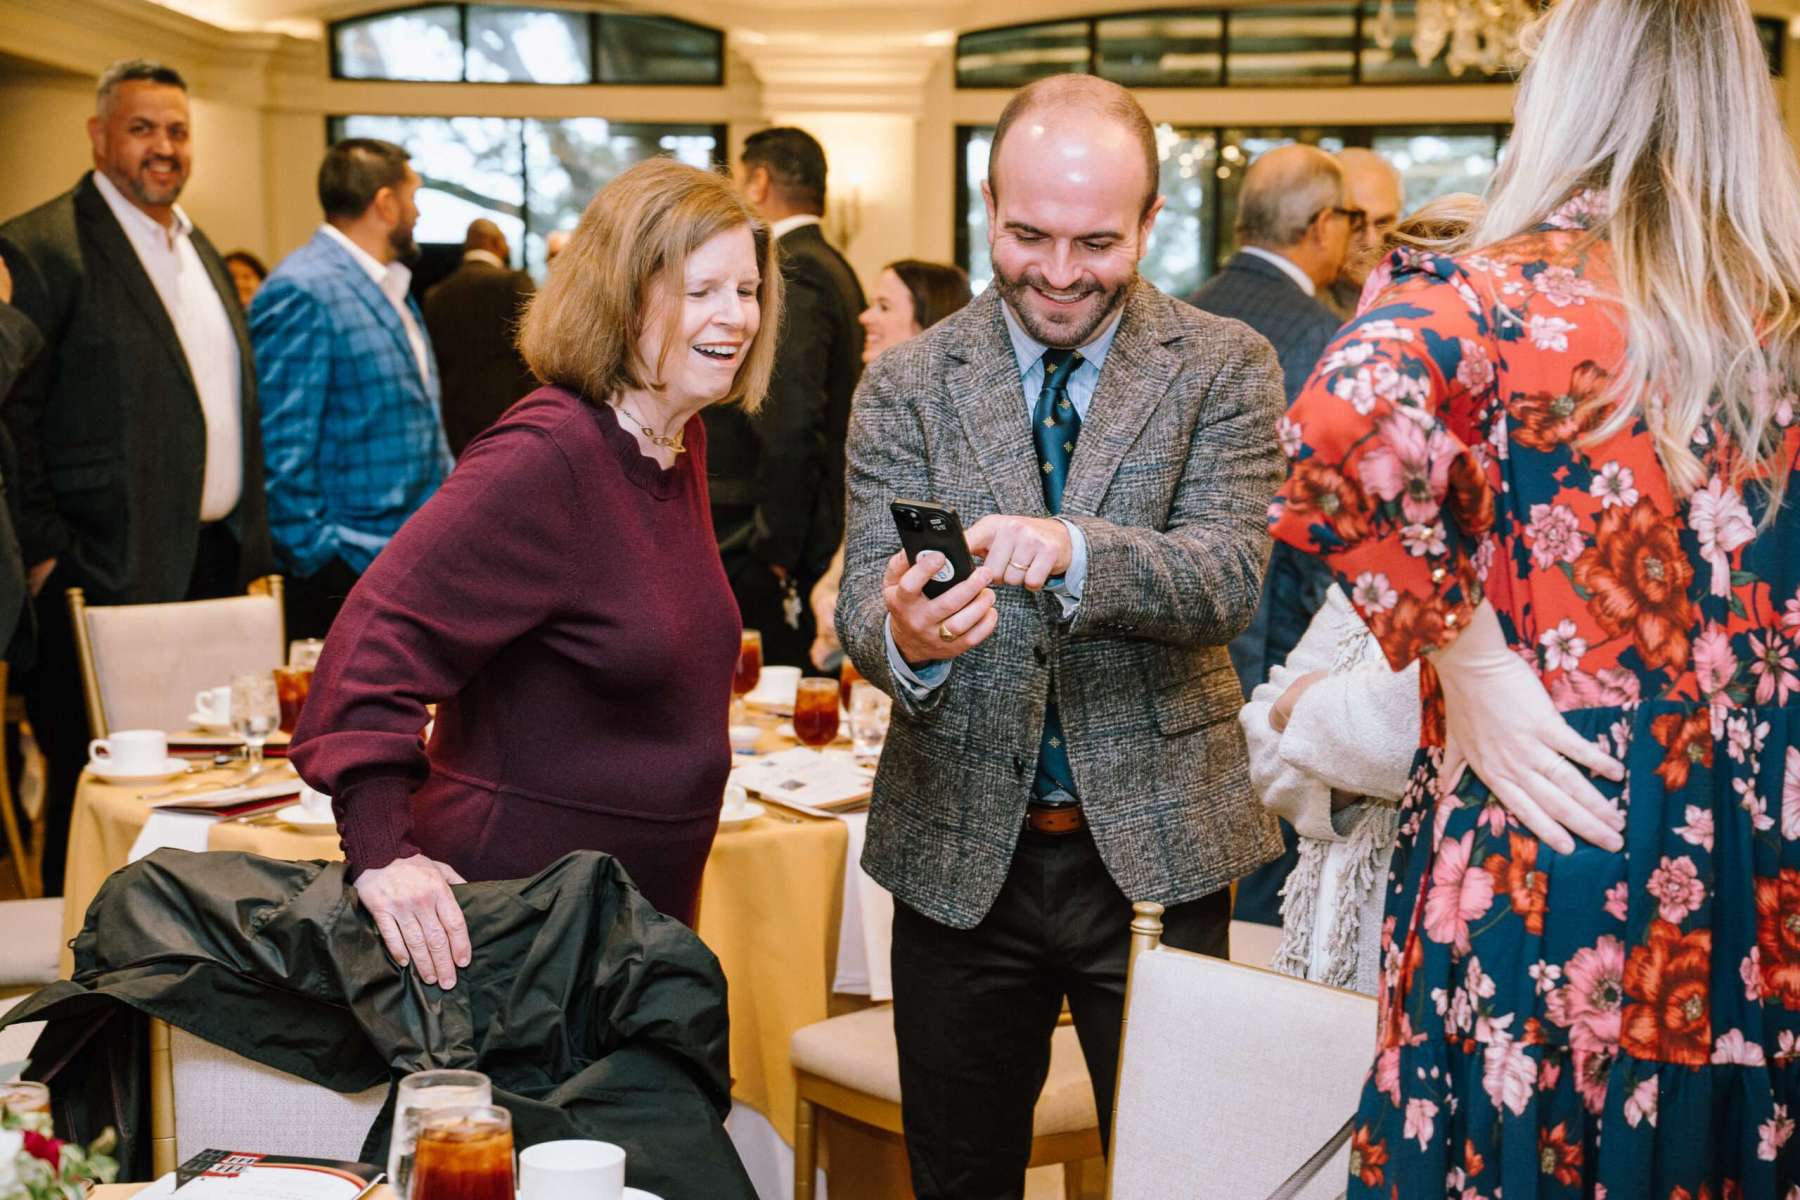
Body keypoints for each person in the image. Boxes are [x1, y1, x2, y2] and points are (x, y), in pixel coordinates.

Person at [1270, 1, 1800, 1193]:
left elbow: (1339, 423)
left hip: (1555, 830)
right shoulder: (1781, 312)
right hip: (1762, 854)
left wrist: (1471, 659)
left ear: (1564, 84)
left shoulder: (1494, 297)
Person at [836, 74, 1285, 1197]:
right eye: (1028, 236)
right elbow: (861, 610)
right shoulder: (905, 382)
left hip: (1159, 853)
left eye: (1097, 242)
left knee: (1179, 1178)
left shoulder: (1225, 364)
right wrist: (907, 637)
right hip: (954, 857)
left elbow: (1230, 578)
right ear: (988, 206)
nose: (1060, 272)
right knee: (960, 1179)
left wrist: (1074, 548)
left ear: (1150, 221)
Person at [290, 158, 779, 987]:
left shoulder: (675, 437)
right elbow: (369, 649)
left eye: (747, 290)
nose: (735, 317)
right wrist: (381, 852)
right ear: (622, 299)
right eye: (701, 290)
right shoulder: (548, 454)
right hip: (518, 927)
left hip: (631, 920)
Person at [0, 58, 271, 896]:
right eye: (142, 128)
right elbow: (12, 416)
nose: (164, 147)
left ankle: (195, 961)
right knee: (106, 806)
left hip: (212, 565)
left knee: (213, 795)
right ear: (98, 136)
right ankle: (81, 964)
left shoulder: (195, 244)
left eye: (178, 130)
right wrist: (48, 552)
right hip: (101, 574)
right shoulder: (41, 246)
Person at [1242, 194, 1485, 997]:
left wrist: (1303, 712)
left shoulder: (1511, 526)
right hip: (1332, 941)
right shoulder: (1394, 523)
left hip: (1436, 937)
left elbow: (1409, 737)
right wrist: (1330, 742)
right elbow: (1262, 744)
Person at [1187, 143, 1357, 925]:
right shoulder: (1330, 338)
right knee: (1269, 874)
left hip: (1181, 632)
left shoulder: (1181, 314)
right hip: (1284, 637)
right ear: (1322, 225)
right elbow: (1328, 521)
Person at [252, 138, 452, 640]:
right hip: (343, 573)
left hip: (406, 560)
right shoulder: (302, 289)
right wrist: (322, 559)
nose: (418, 212)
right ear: (385, 204)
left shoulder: (391, 288)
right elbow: (280, 449)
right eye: (413, 196)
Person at [704, 127, 865, 670]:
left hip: (780, 538)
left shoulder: (792, 266)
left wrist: (774, 548)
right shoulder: (833, 262)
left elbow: (791, 415)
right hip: (808, 520)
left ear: (759, 182)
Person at [810, 258, 972, 670]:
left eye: (883, 307)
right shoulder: (876, 409)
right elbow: (855, 549)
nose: (864, 317)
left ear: (927, 324)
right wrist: (828, 600)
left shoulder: (954, 432)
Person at [422, 218, 536, 456]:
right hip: (512, 414)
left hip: (454, 424)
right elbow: (537, 347)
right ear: (495, 243)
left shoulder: (435, 295)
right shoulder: (513, 282)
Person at [1325, 148, 1404, 318]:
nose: (1371, 241)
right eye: (1355, 224)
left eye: (1383, 222)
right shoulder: (1302, 312)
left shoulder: (1417, 296)